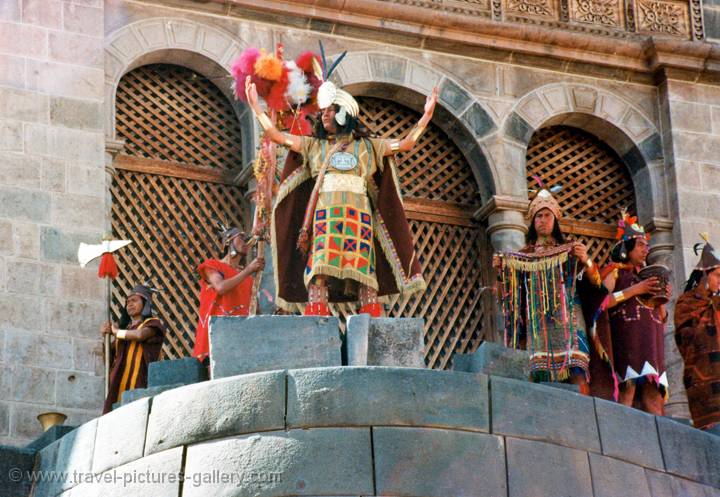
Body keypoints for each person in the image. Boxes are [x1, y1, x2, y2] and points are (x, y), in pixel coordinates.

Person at [244, 53, 437, 317]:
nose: (324, 116)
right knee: (320, 267)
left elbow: (406, 144)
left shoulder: (369, 146)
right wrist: (257, 108)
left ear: (345, 113)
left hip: (359, 216)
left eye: (330, 111)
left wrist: (425, 118)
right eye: (322, 112)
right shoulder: (313, 146)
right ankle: (316, 314)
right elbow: (276, 136)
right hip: (325, 214)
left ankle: (371, 316)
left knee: (364, 272)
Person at [496, 187, 606, 393]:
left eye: (547, 215)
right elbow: (507, 295)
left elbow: (597, 283)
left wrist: (586, 260)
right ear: (532, 221)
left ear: (555, 220)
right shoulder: (523, 256)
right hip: (537, 324)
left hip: (570, 321)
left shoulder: (571, 249)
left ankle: (585, 418)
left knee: (577, 371)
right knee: (537, 376)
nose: (542, 220)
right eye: (538, 216)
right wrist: (501, 272)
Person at [600, 212, 669, 415]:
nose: (645, 249)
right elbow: (602, 302)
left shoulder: (647, 277)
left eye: (646, 245)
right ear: (627, 248)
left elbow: (662, 318)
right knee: (627, 390)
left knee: (654, 396)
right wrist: (635, 290)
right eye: (640, 245)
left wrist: (661, 298)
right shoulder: (615, 273)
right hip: (627, 340)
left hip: (651, 341)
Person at [193, 226, 265, 362]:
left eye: (246, 238)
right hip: (214, 339)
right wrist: (249, 270)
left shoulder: (248, 279)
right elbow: (220, 287)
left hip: (238, 342)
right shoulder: (211, 265)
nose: (245, 241)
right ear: (228, 242)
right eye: (241, 237)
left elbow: (254, 310)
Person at [674, 235, 720, 430]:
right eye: (718, 275)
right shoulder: (686, 303)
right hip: (704, 382)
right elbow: (688, 337)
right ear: (704, 275)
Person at [101, 284, 165, 414]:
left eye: (134, 300)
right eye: (127, 302)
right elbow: (108, 360)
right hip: (118, 388)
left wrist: (115, 331)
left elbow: (140, 335)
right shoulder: (124, 332)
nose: (129, 304)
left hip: (141, 384)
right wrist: (105, 337)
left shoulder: (153, 324)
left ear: (145, 303)